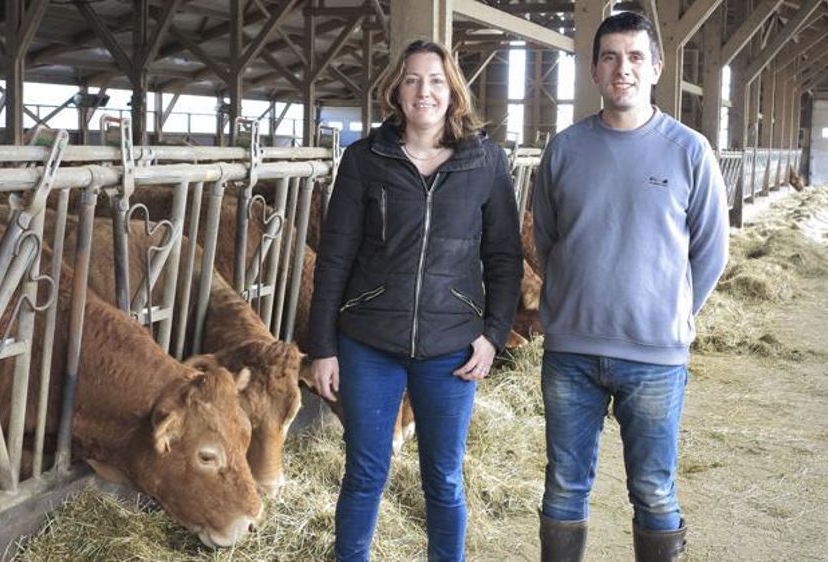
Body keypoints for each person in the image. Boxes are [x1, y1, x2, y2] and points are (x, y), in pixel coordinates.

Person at [308, 40, 523, 562]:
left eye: (434, 80)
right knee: (365, 471)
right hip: (368, 342)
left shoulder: (486, 163)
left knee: (444, 477)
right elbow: (334, 257)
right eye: (411, 80)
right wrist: (323, 346)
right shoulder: (365, 159)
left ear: (453, 91)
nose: (423, 91)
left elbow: (504, 258)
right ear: (396, 91)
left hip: (451, 346)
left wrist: (493, 335)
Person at [532, 12, 729, 562]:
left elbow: (712, 251)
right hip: (570, 352)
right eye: (611, 57)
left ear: (656, 68)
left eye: (636, 57)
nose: (624, 69)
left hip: (655, 357)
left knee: (653, 489)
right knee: (565, 486)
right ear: (594, 70)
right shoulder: (565, 149)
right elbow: (547, 239)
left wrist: (672, 313)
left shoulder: (689, 150)